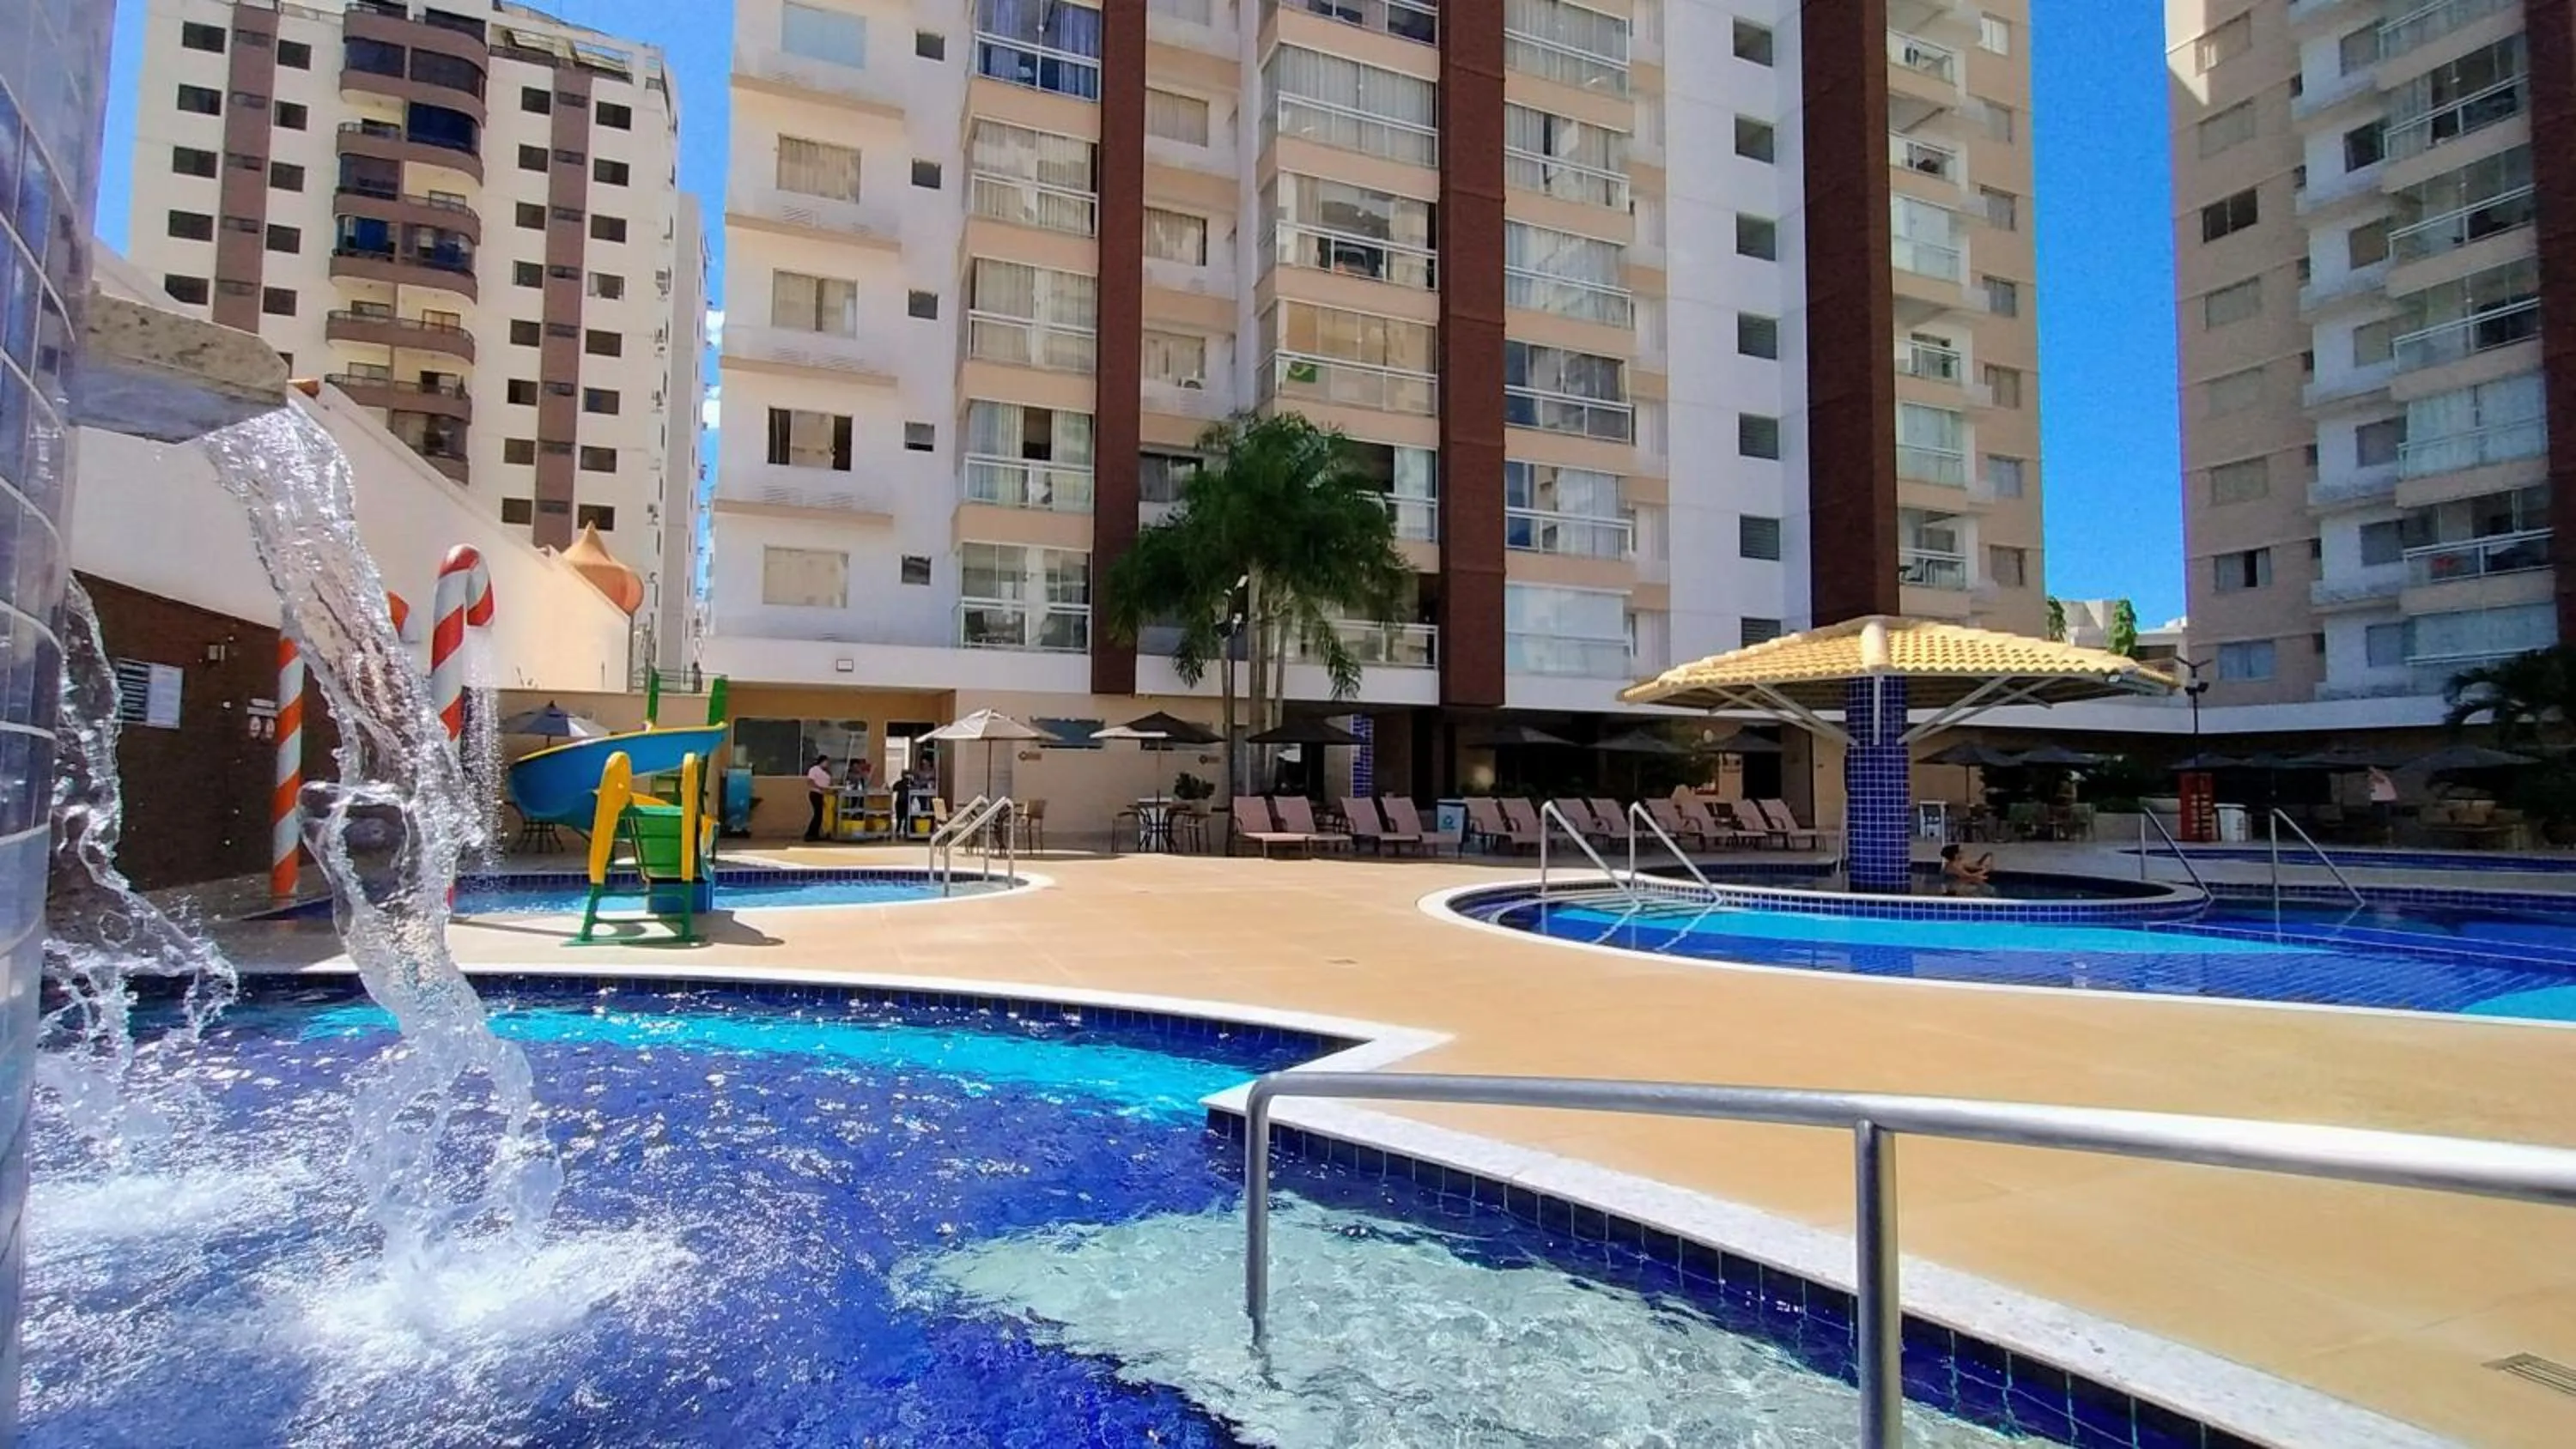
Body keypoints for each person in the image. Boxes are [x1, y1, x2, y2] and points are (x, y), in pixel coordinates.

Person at [804, 755, 833, 842]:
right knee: (818, 814)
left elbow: (829, 782)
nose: (827, 764)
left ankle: (816, 833)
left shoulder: (827, 772)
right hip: (815, 793)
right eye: (826, 762)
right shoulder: (814, 769)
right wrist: (820, 788)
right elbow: (810, 781)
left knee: (820, 815)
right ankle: (810, 834)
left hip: (823, 794)